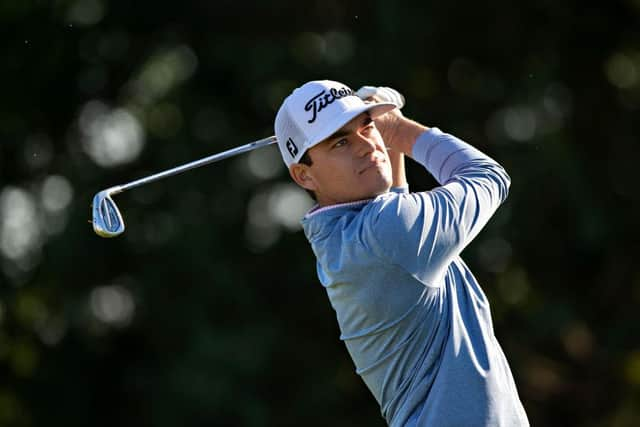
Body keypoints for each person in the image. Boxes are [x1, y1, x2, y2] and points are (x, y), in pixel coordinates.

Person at [274, 80, 529, 427]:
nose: (367, 146)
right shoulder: (386, 233)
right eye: (341, 142)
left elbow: (393, 204)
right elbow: (488, 176)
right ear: (304, 175)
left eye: (367, 127)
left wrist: (389, 143)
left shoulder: (341, 238)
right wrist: (398, 129)